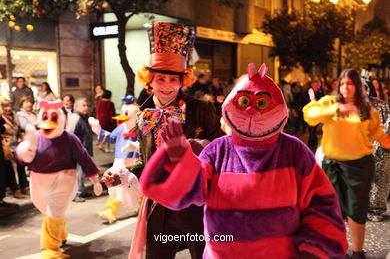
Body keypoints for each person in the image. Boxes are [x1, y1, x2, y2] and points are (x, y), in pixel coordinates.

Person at [137, 63, 348, 258]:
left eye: (262, 102)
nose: (250, 110)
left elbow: (321, 205)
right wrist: (180, 160)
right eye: (245, 101)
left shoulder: (294, 152)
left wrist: (314, 251)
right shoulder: (218, 151)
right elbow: (194, 188)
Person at [102, 22, 224, 259]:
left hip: (197, 206)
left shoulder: (201, 109)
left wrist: (194, 147)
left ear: (182, 81)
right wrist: (120, 175)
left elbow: (221, 151)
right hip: (160, 210)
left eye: (173, 80)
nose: (167, 87)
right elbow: (147, 164)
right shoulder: (142, 117)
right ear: (150, 81)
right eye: (160, 80)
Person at [303, 69, 390, 259]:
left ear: (358, 86)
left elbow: (379, 135)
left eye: (350, 83)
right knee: (331, 210)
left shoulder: (368, 110)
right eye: (342, 83)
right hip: (333, 165)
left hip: (360, 166)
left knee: (356, 210)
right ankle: (335, 249)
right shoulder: (329, 102)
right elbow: (310, 114)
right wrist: (335, 110)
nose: (345, 87)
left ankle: (358, 253)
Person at [15, 100, 103, 259]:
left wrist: (96, 180)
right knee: (47, 211)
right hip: (39, 182)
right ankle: (60, 234)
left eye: (54, 117)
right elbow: (24, 159)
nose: (49, 120)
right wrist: (25, 150)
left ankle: (50, 249)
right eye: (45, 116)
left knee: (53, 211)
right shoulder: (37, 136)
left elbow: (84, 157)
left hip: (63, 180)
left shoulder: (69, 138)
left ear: (61, 119)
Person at [89, 95, 140, 223]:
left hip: (136, 162)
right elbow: (111, 137)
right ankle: (110, 211)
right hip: (120, 162)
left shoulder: (142, 130)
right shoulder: (120, 128)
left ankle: (143, 207)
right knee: (116, 185)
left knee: (139, 186)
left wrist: (136, 147)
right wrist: (99, 131)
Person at [364, 82, 390, 222]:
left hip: (379, 146)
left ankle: (375, 209)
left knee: (379, 177)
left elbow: (387, 124)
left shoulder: (381, 105)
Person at [66, 98, 94, 202]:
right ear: (76, 107)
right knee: (77, 174)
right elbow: (69, 134)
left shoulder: (83, 117)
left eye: (87, 105)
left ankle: (81, 191)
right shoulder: (75, 118)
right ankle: (75, 194)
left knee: (81, 173)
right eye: (83, 105)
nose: (86, 107)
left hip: (84, 151)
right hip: (78, 152)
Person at [1, 99, 29, 197]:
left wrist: (21, 138)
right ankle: (15, 189)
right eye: (5, 106)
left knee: (21, 164)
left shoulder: (15, 117)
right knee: (11, 168)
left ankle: (24, 186)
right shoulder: (1, 118)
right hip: (6, 146)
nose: (8, 108)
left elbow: (19, 130)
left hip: (16, 144)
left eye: (9, 106)